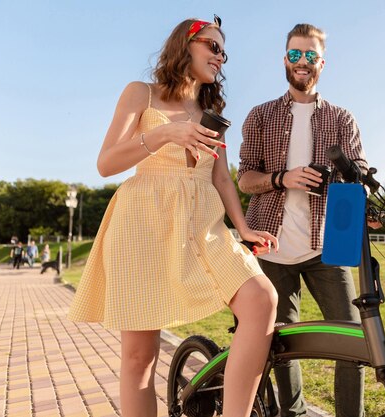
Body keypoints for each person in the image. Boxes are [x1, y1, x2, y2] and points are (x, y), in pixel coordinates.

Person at [68, 16, 278, 417]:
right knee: (139, 357)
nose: (221, 58)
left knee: (261, 299)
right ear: (186, 44)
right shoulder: (140, 94)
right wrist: (164, 134)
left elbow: (221, 177)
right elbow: (106, 163)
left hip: (204, 223)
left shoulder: (211, 109)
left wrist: (245, 226)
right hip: (142, 222)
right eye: (213, 47)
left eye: (224, 52)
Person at [238, 23, 367, 417]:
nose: (302, 62)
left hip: (326, 246)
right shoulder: (260, 116)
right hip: (270, 246)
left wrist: (343, 176)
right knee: (280, 344)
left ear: (322, 63)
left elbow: (359, 173)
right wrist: (283, 178)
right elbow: (245, 178)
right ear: (285, 59)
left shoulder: (342, 118)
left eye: (311, 56)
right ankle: (291, 413)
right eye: (296, 54)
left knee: (352, 338)